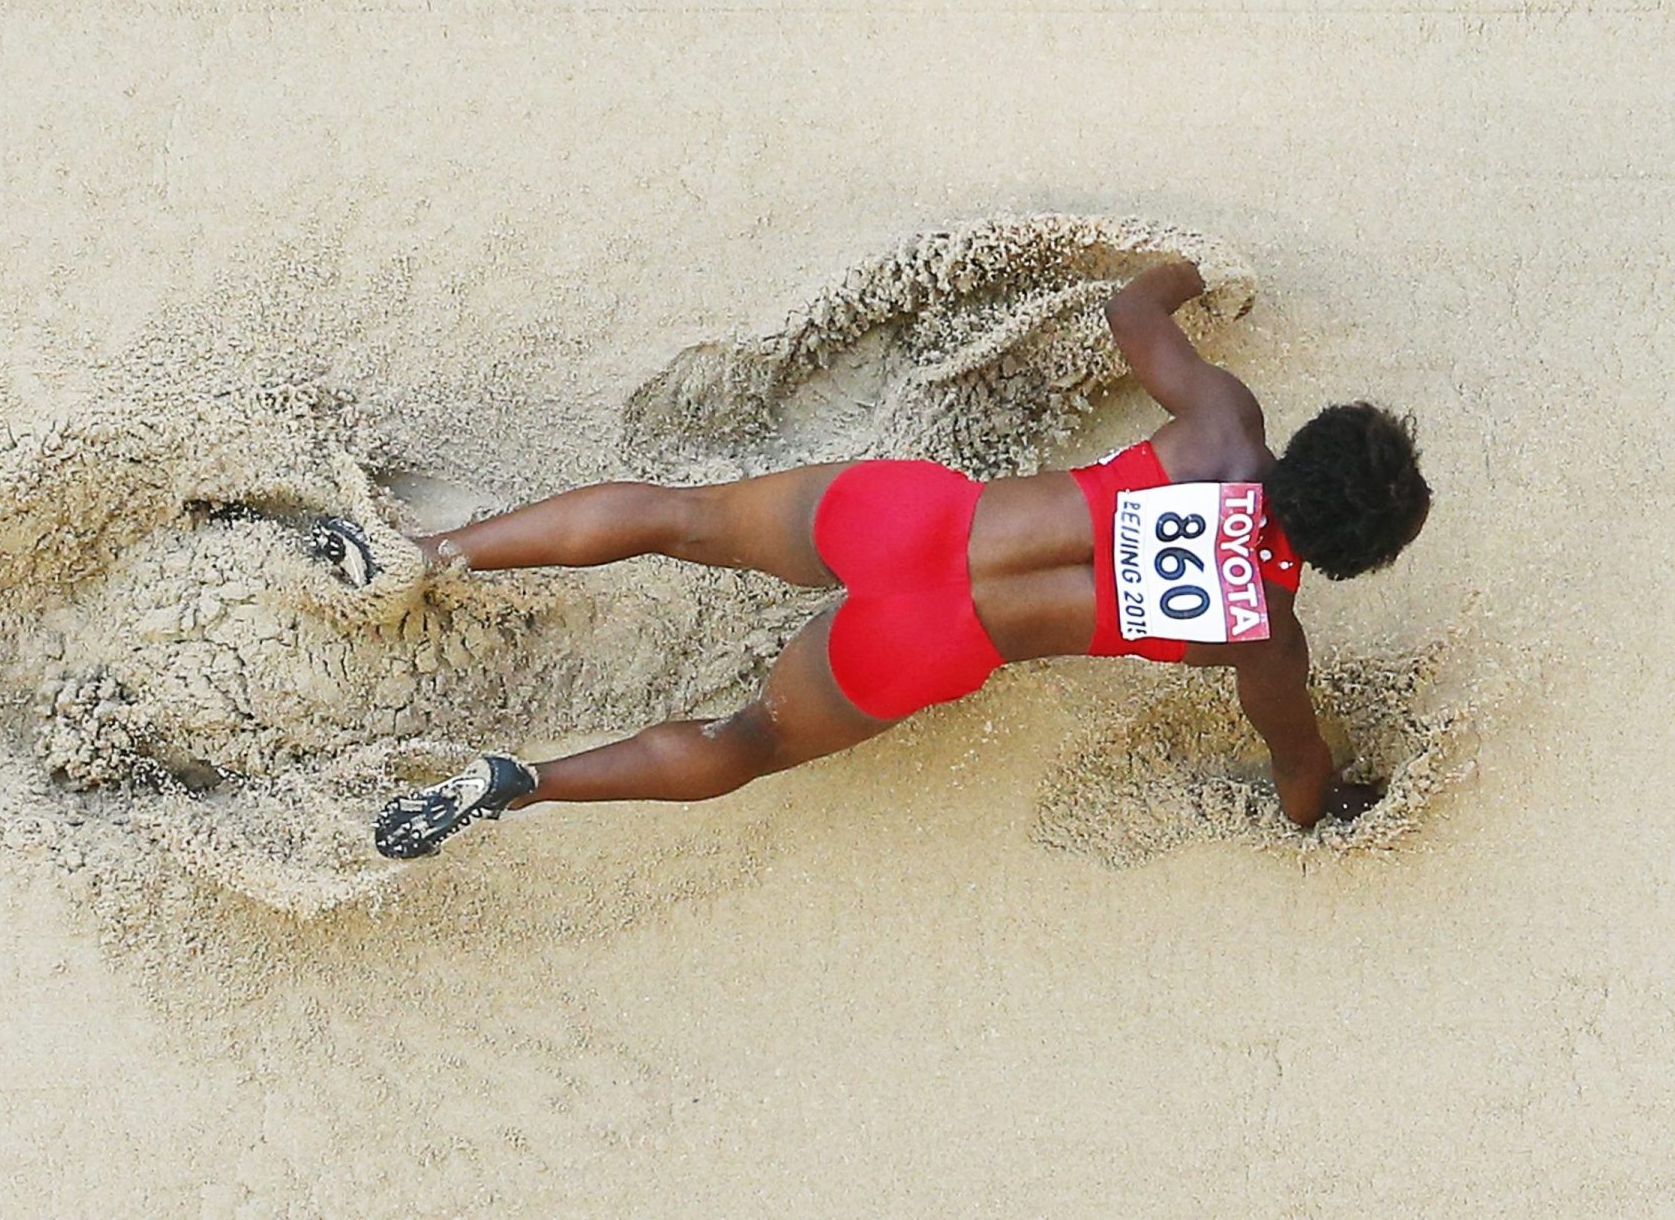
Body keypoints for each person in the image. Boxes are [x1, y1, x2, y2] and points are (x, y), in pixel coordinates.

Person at [340, 260, 1431, 859]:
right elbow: (1298, 779)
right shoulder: (1265, 638)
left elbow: (1131, 306)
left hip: (916, 522)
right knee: (744, 741)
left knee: (688, 516)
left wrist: (1194, 267)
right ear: (1343, 561)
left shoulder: (1225, 429)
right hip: (931, 643)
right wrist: (1333, 796)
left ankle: (426, 551)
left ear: (1309, 441)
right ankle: (523, 782)